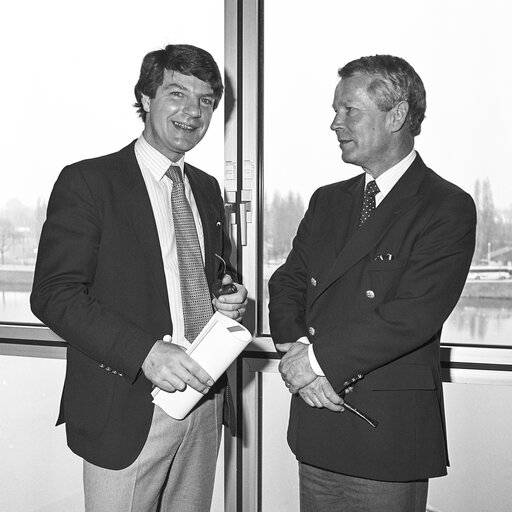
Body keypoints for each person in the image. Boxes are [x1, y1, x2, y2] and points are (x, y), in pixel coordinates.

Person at [30, 44, 248, 512]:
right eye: (177, 93)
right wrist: (145, 353)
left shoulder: (207, 189)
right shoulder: (89, 182)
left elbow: (206, 274)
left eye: (206, 100)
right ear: (146, 99)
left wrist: (225, 294)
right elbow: (53, 295)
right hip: (129, 407)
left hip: (205, 399)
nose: (193, 111)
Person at [268, 55, 476, 511]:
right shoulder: (328, 201)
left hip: (385, 432)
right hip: (318, 418)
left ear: (396, 115)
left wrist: (317, 362)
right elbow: (287, 282)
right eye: (335, 110)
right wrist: (296, 351)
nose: (334, 123)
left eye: (349, 111)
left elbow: (412, 315)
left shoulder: (446, 207)